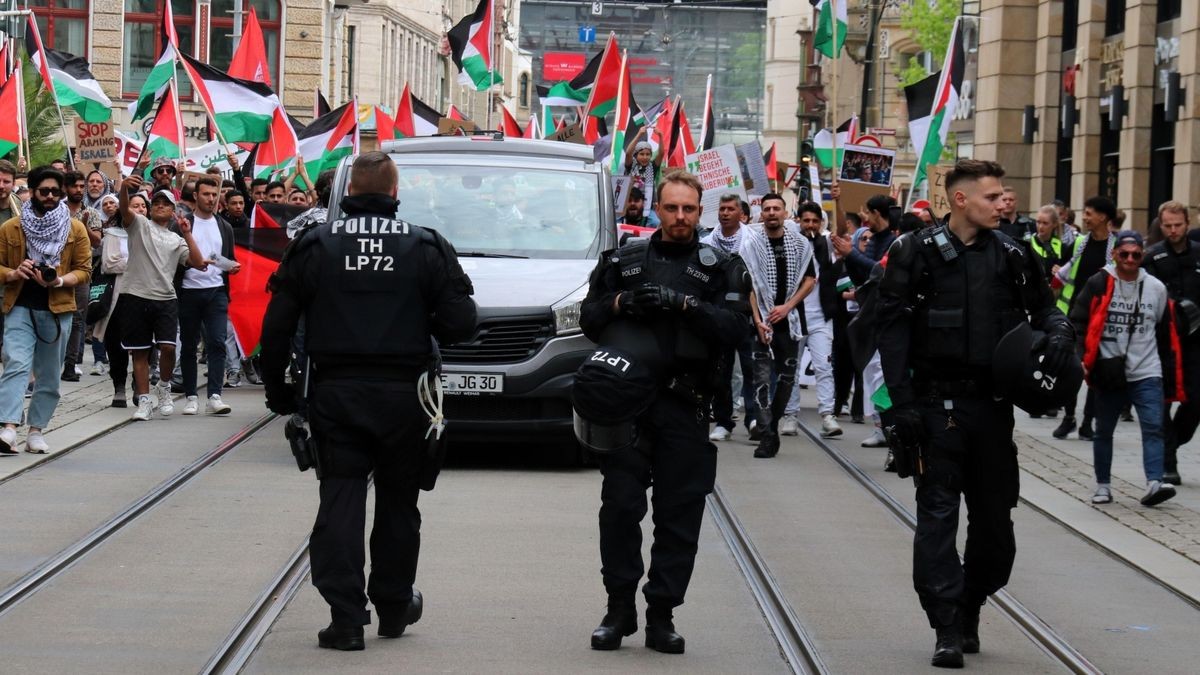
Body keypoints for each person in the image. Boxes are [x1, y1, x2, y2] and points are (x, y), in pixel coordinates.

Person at [259, 151, 477, 651]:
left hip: (337, 393)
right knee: (400, 503)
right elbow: (462, 324)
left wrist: (280, 391)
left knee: (341, 498)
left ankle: (346, 618)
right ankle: (395, 604)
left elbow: (277, 328)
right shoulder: (426, 245)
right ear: (395, 195)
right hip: (407, 396)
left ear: (348, 193)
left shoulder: (315, 244)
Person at [875, 159, 1075, 668]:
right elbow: (891, 331)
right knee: (937, 519)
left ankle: (971, 603)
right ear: (961, 200)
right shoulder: (913, 252)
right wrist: (899, 408)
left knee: (995, 526)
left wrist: (1058, 333)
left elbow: (1046, 307)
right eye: (991, 196)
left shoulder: (1012, 253)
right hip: (934, 409)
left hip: (992, 409)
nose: (1002, 203)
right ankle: (945, 624)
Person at [579, 169, 745, 654]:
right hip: (627, 408)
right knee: (620, 511)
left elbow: (737, 330)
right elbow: (588, 320)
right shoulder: (624, 260)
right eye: (671, 208)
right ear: (658, 208)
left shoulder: (723, 269)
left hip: (686, 406)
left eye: (688, 209)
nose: (679, 217)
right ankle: (618, 609)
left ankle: (661, 614)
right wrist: (620, 302)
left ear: (701, 211)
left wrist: (685, 305)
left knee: (679, 517)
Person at [1070, 230, 1182, 506]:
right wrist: (1082, 358)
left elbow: (1165, 333)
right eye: (1124, 254)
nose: (1130, 259)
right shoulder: (1099, 282)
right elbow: (1079, 320)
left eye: (1136, 254)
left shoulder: (1156, 287)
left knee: (1154, 427)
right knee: (1104, 430)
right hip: (1109, 370)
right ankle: (1103, 485)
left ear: (1142, 255)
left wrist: (1170, 374)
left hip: (1147, 371)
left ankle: (1155, 482)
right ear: (1115, 254)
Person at [0, 166, 93, 454]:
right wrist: (14, 273)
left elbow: (85, 270)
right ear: (33, 192)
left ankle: (36, 430)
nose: (50, 196)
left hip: (57, 308)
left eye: (55, 191)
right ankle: (8, 427)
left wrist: (59, 279)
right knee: (15, 362)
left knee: (50, 374)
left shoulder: (74, 228)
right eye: (44, 191)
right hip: (19, 305)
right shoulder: (11, 227)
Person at [116, 179, 206, 421]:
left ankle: (164, 386)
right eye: (155, 202)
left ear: (173, 210)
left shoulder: (176, 239)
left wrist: (187, 233)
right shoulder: (139, 224)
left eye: (166, 203)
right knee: (140, 352)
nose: (159, 206)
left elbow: (198, 263)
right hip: (135, 294)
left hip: (165, 298)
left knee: (168, 347)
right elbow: (124, 209)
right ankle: (144, 401)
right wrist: (124, 187)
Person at [740, 193, 816, 458]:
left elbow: (809, 280)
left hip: (790, 323)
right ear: (761, 213)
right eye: (767, 208)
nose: (772, 212)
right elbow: (747, 284)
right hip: (760, 324)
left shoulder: (801, 243)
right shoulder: (750, 243)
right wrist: (759, 319)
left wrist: (788, 306)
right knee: (761, 380)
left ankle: (771, 424)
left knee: (786, 380)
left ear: (785, 212)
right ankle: (767, 435)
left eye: (777, 208)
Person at [1140, 201, 1198, 486]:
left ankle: (1174, 440)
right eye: (1168, 225)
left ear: (1187, 223)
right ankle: (1168, 462)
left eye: (1178, 224)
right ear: (1160, 225)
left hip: (1196, 341)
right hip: (1161, 343)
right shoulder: (1151, 258)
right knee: (1160, 403)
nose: (1173, 230)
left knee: (1196, 401)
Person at [1053, 196, 1117, 440]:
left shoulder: (1116, 248)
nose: (1085, 217)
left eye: (1089, 213)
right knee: (1072, 368)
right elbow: (1063, 273)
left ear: (1102, 217)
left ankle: (1088, 421)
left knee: (1096, 371)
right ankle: (1069, 417)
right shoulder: (1079, 243)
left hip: (1102, 319)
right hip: (1075, 317)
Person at [176, 176, 239, 416]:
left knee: (217, 342)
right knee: (189, 345)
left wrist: (231, 266)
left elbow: (225, 258)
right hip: (189, 292)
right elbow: (176, 259)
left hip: (216, 292)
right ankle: (191, 395)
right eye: (206, 194)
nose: (211, 199)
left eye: (214, 195)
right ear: (196, 196)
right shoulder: (184, 224)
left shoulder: (224, 226)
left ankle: (214, 395)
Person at [782, 201, 843, 438]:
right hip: (795, 316)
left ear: (821, 223)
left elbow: (843, 233)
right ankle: (790, 415)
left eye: (815, 221)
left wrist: (837, 201)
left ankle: (828, 415)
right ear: (798, 221)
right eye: (806, 220)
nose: (810, 225)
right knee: (792, 369)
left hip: (820, 318)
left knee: (824, 366)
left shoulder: (827, 243)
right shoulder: (790, 243)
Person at [702, 193, 754, 441]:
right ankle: (723, 421)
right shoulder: (706, 242)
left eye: (730, 209)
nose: (724, 213)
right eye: (722, 209)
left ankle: (754, 418)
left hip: (747, 315)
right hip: (720, 315)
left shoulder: (754, 240)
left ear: (740, 212)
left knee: (751, 369)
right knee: (721, 371)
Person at [95, 192, 144, 407]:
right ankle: (119, 387)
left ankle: (139, 383)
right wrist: (138, 262)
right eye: (134, 205)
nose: (139, 209)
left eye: (143, 206)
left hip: (144, 296)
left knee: (143, 345)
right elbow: (109, 264)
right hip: (119, 298)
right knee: (116, 345)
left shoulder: (152, 233)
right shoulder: (113, 234)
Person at [62, 170, 103, 383]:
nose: (79, 190)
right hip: (58, 270)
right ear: (66, 188)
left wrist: (84, 226)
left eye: (81, 186)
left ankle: (71, 364)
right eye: (75, 186)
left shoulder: (92, 213)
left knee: (77, 319)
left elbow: (97, 242)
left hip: (81, 272)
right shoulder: (56, 210)